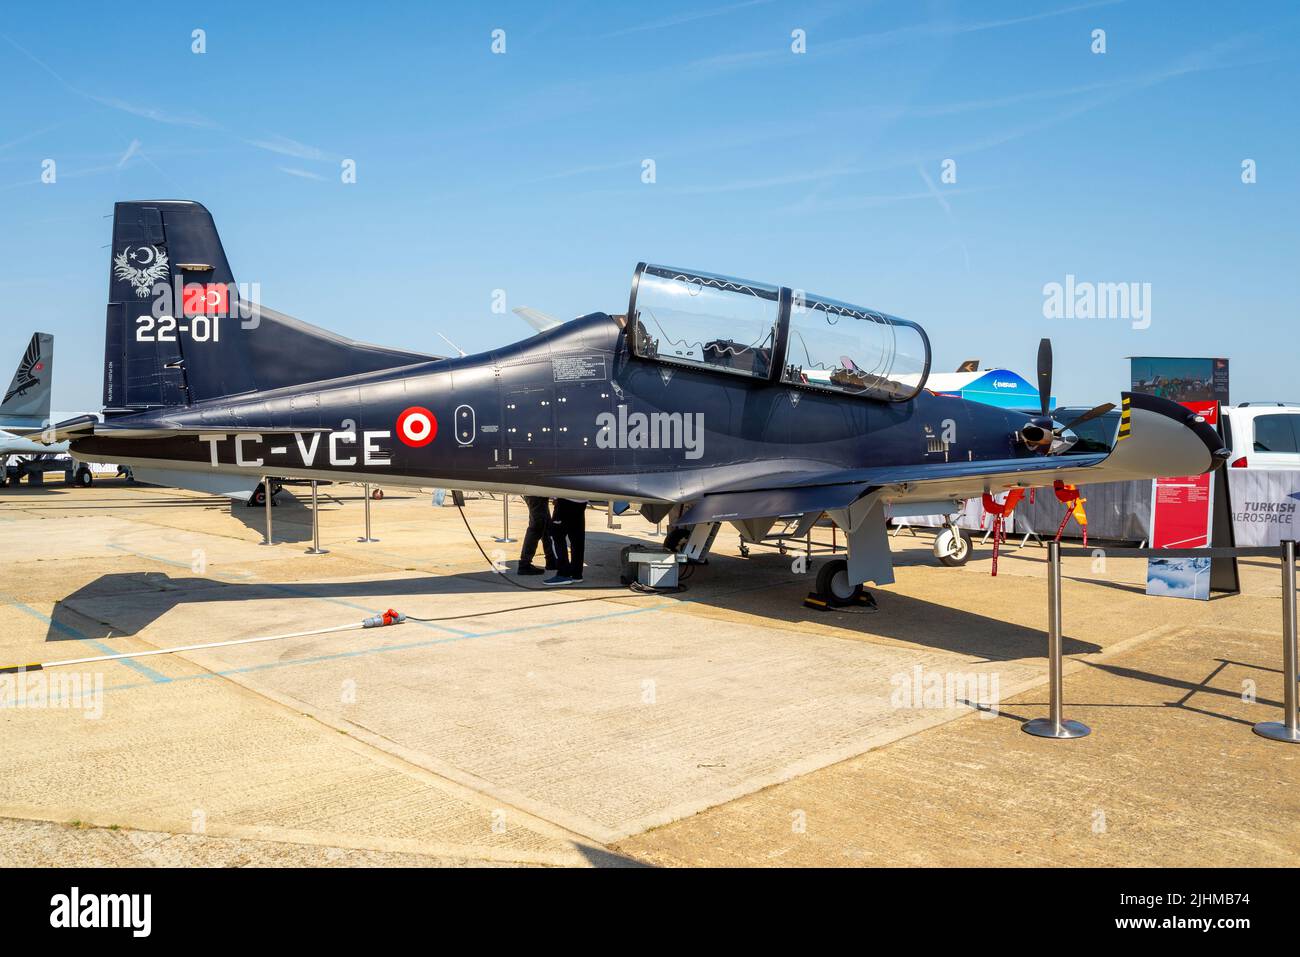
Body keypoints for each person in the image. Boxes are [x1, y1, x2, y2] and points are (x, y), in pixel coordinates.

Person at [545, 498, 587, 585]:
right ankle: (577, 573)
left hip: (565, 501)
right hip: (581, 501)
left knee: (556, 536)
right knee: (577, 538)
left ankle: (563, 573)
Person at [517, 495, 557, 575]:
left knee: (546, 526)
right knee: (536, 527)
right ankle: (524, 564)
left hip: (539, 493)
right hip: (535, 493)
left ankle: (551, 560)